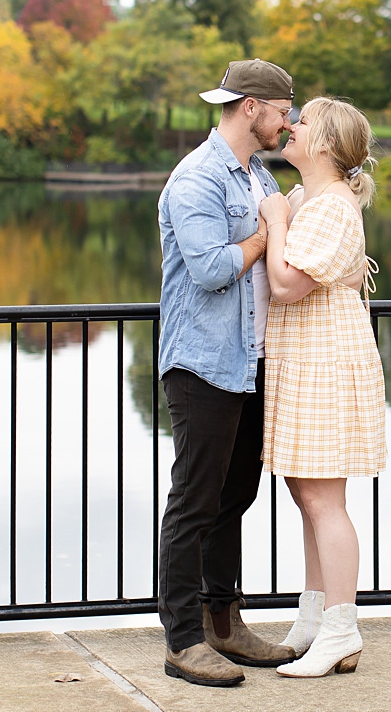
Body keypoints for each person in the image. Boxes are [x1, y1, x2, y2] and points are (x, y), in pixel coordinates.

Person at [155, 58, 299, 688]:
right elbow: (213, 270)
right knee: (194, 501)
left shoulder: (256, 174)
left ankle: (225, 623)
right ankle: (183, 639)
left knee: (234, 496)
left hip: (248, 359)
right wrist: (270, 233)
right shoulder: (197, 179)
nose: (287, 120)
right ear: (251, 107)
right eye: (283, 108)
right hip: (202, 363)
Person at [257, 96, 387, 678]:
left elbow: (286, 284)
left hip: (325, 361)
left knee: (323, 502)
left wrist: (278, 222)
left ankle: (342, 628)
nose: (290, 126)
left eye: (301, 121)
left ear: (327, 145)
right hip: (304, 358)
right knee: (306, 497)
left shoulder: (329, 206)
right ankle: (313, 619)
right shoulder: (309, 198)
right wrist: (284, 214)